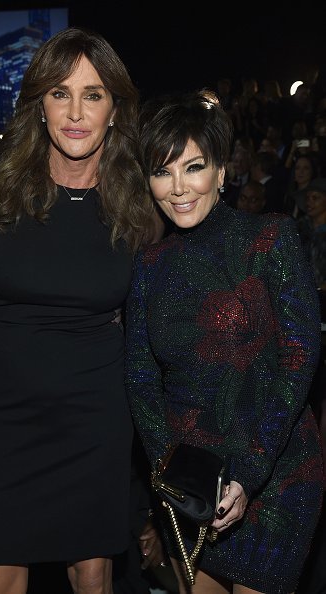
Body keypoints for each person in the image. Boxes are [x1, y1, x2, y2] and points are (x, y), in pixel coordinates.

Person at [0, 26, 160, 594]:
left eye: (93, 94)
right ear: (39, 105)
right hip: (9, 418)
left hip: (98, 418)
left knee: (92, 577)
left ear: (115, 109)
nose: (76, 112)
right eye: (60, 93)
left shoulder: (134, 201)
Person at [125, 90, 324, 594]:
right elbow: (141, 377)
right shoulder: (149, 268)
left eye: (192, 167)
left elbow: (300, 360)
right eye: (161, 172)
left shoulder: (271, 239)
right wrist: (173, 473)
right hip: (194, 481)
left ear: (221, 171)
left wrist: (247, 472)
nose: (177, 188)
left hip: (276, 471)